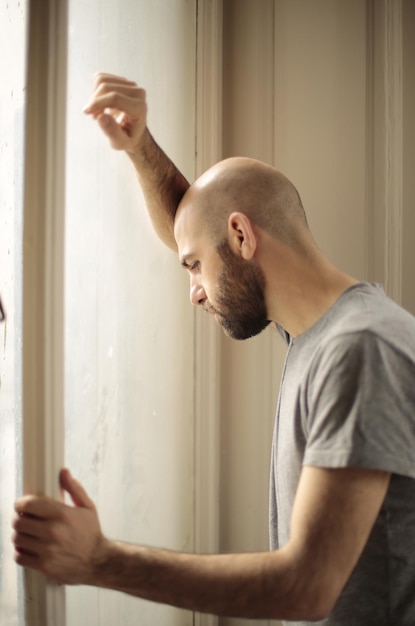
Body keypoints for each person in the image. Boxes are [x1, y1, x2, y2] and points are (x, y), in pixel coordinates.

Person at [12, 74, 415, 625]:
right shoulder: (321, 330)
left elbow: (307, 587)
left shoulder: (359, 350)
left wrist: (99, 561)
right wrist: (139, 147)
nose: (195, 290)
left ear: (244, 237)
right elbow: (195, 222)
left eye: (195, 267)